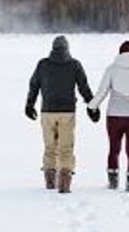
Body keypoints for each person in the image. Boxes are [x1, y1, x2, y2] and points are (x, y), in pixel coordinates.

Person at [25, 35, 98, 194]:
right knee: (66, 147)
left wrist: (29, 105)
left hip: (47, 112)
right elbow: (83, 87)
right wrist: (92, 106)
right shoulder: (74, 65)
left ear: (53, 48)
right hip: (67, 112)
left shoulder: (43, 64)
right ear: (67, 48)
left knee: (50, 146)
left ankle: (50, 181)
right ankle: (64, 183)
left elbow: (34, 86)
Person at [88, 40, 129, 194]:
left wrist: (92, 106)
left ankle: (113, 181)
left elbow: (102, 91)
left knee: (114, 148)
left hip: (115, 116)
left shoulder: (112, 69)